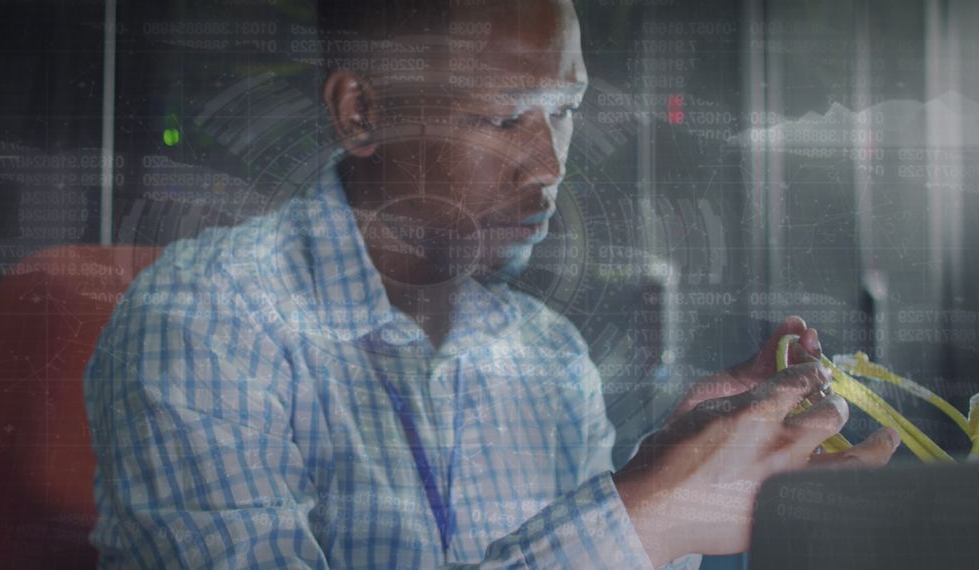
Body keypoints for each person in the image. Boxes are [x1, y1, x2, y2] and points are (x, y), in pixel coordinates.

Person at [84, 0, 901, 567]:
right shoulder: (205, 324)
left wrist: (674, 482)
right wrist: (642, 511)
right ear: (361, 113)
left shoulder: (553, 358)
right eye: (504, 116)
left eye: (566, 110)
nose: (549, 168)